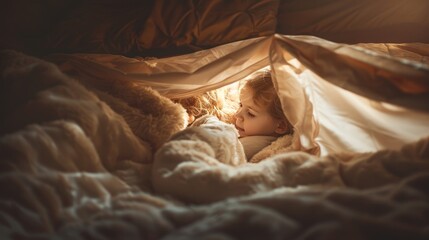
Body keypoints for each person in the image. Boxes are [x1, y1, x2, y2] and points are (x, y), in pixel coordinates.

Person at [234, 71, 293, 159]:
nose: (237, 115)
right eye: (240, 105)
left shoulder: (250, 147)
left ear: (280, 126)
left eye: (250, 114)